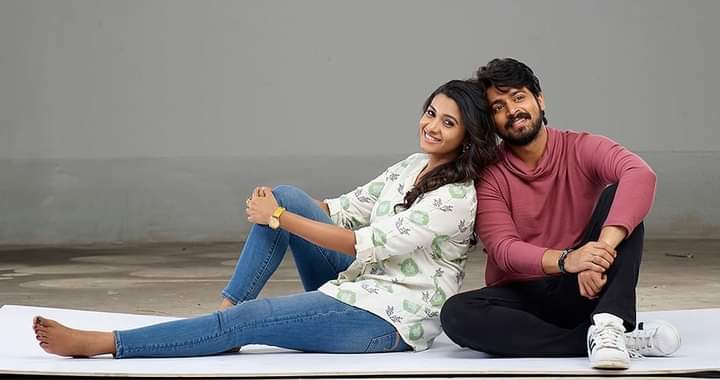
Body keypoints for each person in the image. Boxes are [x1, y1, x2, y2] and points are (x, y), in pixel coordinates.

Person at [33, 80, 498, 358]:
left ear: (468, 136)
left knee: (256, 314)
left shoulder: (455, 197)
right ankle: (227, 312)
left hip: (389, 320)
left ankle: (106, 343)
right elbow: (341, 209)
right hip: (358, 284)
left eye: (448, 123)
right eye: (431, 113)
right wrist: (279, 204)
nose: (431, 126)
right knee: (288, 194)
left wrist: (277, 217)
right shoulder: (413, 164)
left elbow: (359, 243)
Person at [440, 59, 681, 370]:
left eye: (518, 97)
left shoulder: (580, 147)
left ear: (540, 100)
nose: (512, 110)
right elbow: (503, 249)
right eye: (498, 107)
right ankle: (604, 339)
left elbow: (640, 174)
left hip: (585, 287)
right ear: (492, 121)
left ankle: (608, 322)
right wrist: (569, 260)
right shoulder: (489, 175)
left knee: (618, 198)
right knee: (456, 314)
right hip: (523, 297)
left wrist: (597, 254)